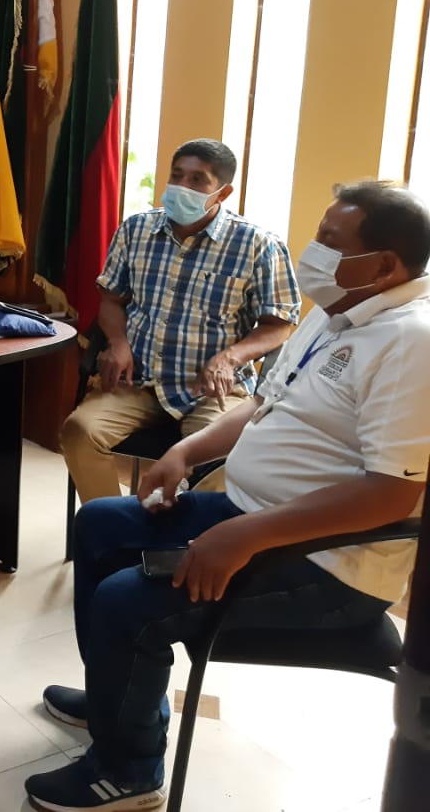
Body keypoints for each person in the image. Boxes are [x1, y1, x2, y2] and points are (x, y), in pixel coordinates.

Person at [25, 182, 430, 811]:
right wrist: (186, 452)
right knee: (101, 524)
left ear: (384, 266)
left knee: (127, 602)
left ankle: (128, 773)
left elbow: (391, 496)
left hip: (328, 565)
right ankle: (116, 700)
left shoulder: (412, 342)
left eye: (329, 240)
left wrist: (246, 536)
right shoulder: (337, 310)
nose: (313, 250)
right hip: (251, 515)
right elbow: (265, 404)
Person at [61, 138, 301, 503]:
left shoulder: (258, 245)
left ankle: (177, 534)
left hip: (212, 390)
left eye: (197, 180)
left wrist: (230, 358)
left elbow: (280, 323)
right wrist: (118, 342)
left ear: (223, 192)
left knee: (221, 460)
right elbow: (111, 299)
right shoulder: (136, 230)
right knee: (79, 432)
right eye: (176, 176)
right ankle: (114, 524)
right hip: (138, 381)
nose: (181, 187)